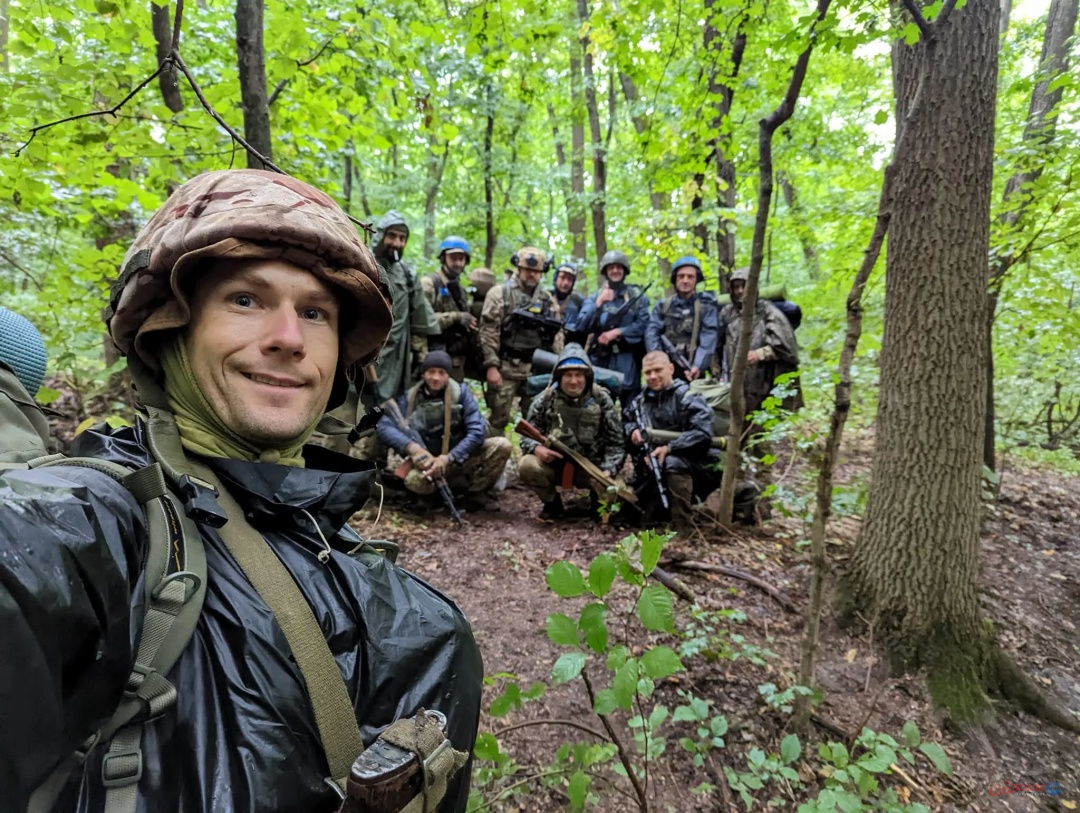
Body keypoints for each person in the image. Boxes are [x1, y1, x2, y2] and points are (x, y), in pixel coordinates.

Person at [0, 170, 481, 813]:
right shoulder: (101, 519)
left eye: (315, 313)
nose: (289, 338)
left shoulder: (384, 588)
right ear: (169, 331)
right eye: (246, 300)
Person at [377, 350, 511, 512]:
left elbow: (477, 431)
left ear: (448, 375)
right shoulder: (410, 397)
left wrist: (449, 458)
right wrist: (413, 448)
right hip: (426, 462)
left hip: (458, 457)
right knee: (414, 482)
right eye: (431, 372)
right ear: (423, 374)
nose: (436, 377)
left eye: (441, 372)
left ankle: (476, 495)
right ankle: (432, 497)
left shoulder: (461, 393)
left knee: (502, 445)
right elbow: (384, 425)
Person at [518, 344, 626, 519]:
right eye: (568, 375)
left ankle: (596, 503)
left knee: (619, 493)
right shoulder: (545, 400)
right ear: (559, 377)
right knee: (527, 465)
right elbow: (526, 437)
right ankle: (552, 504)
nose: (573, 381)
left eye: (578, 375)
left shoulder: (601, 400)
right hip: (555, 466)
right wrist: (537, 449)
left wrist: (607, 471)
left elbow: (617, 444)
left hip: (591, 468)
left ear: (587, 377)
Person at [625, 350, 721, 532]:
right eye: (648, 372)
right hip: (655, 467)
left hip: (697, 465)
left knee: (672, 463)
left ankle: (683, 527)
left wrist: (670, 448)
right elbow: (626, 421)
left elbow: (702, 433)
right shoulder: (640, 401)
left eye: (658, 370)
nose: (653, 376)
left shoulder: (688, 397)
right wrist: (633, 431)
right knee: (632, 513)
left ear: (670, 369)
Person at [479, 245, 560, 433]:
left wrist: (559, 365)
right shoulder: (500, 293)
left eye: (536, 271)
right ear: (518, 268)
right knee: (497, 420)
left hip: (536, 370)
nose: (532, 275)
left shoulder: (546, 299)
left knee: (535, 423)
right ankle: (494, 450)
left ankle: (530, 452)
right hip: (505, 367)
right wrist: (491, 366)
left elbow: (556, 335)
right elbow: (488, 332)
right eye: (527, 270)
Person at [368, 210, 441, 403]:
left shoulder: (408, 275)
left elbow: (420, 323)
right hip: (361, 359)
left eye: (402, 238)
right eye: (392, 236)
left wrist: (422, 360)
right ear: (380, 236)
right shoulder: (362, 265)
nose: (397, 243)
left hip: (396, 361)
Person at [716, 267, 801, 417]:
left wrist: (760, 354)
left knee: (764, 419)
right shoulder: (727, 313)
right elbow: (717, 345)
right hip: (736, 380)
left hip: (765, 379)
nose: (740, 291)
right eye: (736, 287)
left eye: (744, 286)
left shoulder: (769, 312)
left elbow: (787, 349)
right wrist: (718, 373)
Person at [570, 250, 650, 406]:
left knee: (631, 409)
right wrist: (598, 303)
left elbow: (643, 325)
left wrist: (618, 332)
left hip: (628, 362)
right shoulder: (595, 297)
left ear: (625, 270)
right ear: (605, 271)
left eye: (619, 267)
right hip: (601, 361)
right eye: (611, 267)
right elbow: (581, 325)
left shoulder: (637, 298)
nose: (615, 271)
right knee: (598, 408)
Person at [645, 255, 718, 381]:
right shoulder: (663, 306)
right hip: (666, 371)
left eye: (690, 277)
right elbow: (652, 333)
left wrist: (698, 366)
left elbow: (708, 338)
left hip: (693, 368)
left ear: (696, 279)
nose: (685, 280)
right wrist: (659, 363)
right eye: (681, 276)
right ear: (675, 279)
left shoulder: (705, 307)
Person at [423, 236, 478, 383]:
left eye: (461, 259)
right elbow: (422, 320)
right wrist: (455, 317)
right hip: (431, 358)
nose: (458, 263)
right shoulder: (430, 283)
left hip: (455, 360)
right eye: (453, 258)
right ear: (443, 258)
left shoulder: (460, 289)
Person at [551, 261, 585, 344]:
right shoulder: (546, 298)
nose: (565, 283)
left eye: (569, 279)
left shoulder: (578, 301)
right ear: (556, 278)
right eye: (562, 278)